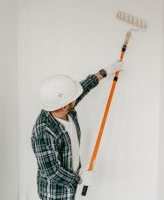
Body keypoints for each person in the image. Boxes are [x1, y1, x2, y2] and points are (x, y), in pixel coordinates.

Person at [31, 60, 124, 200]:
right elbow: (53, 172)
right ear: (65, 105)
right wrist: (79, 179)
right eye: (73, 99)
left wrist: (103, 73)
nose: (75, 99)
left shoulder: (62, 108)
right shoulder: (44, 133)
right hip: (55, 193)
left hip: (70, 184)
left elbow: (82, 88)